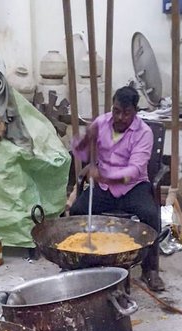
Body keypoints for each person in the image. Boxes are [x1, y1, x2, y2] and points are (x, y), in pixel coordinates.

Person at [70, 85, 165, 292]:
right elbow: (81, 151)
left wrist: (104, 175)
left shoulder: (144, 133)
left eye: (126, 113)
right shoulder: (101, 123)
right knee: (76, 212)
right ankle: (81, 264)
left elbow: (134, 169)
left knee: (150, 215)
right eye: (116, 111)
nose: (120, 117)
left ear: (135, 111)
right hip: (104, 187)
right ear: (112, 107)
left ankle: (150, 269)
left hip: (133, 186)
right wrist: (85, 142)